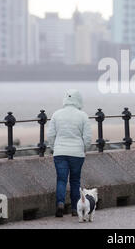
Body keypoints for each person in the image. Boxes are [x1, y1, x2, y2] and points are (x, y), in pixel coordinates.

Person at [47, 89, 92, 217]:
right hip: (77, 153)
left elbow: (51, 135)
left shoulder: (56, 114)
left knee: (61, 179)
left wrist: (54, 148)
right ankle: (74, 208)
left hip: (60, 153)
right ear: (78, 100)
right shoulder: (82, 115)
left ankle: (60, 203)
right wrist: (83, 149)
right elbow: (87, 137)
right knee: (75, 180)